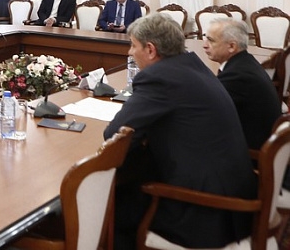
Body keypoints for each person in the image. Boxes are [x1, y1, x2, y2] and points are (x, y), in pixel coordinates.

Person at [104, 13, 256, 250]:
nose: (130, 52)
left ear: (151, 50)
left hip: (207, 213)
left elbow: (115, 135)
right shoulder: (192, 65)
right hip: (235, 199)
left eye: (133, 45)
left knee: (110, 212)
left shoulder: (159, 77)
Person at [203, 17, 281, 150]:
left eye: (211, 40)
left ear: (232, 46)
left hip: (252, 153)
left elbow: (207, 110)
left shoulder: (238, 76)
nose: (204, 45)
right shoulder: (244, 63)